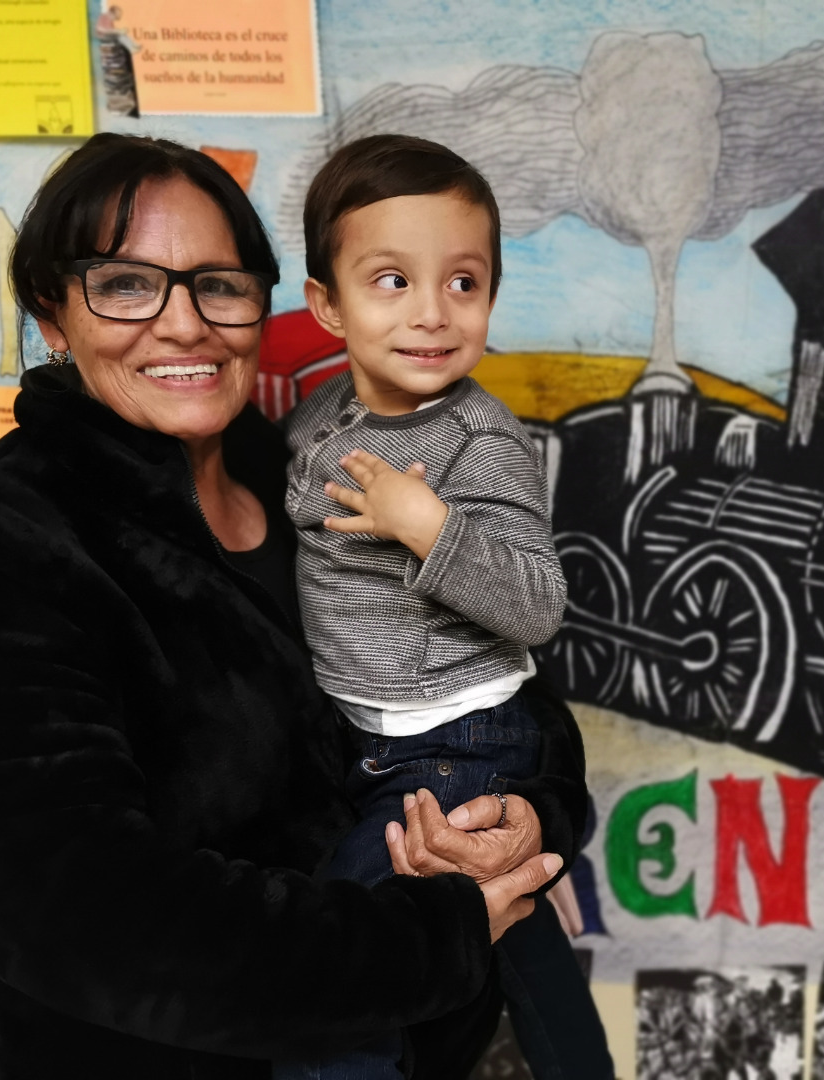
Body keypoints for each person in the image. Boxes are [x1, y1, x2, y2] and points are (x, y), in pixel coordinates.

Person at [0, 133, 591, 1080]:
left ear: (264, 304)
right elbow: (75, 915)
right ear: (52, 313)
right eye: (126, 284)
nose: (183, 324)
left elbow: (500, 682)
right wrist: (432, 937)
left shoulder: (309, 466)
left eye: (218, 284)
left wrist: (532, 818)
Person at [276, 134, 612, 1080]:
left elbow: (538, 606)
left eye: (463, 282)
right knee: (509, 920)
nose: (432, 311)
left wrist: (429, 528)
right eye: (392, 281)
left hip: (457, 741)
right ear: (327, 305)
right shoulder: (317, 419)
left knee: (347, 955)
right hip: (364, 735)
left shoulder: (479, 441)